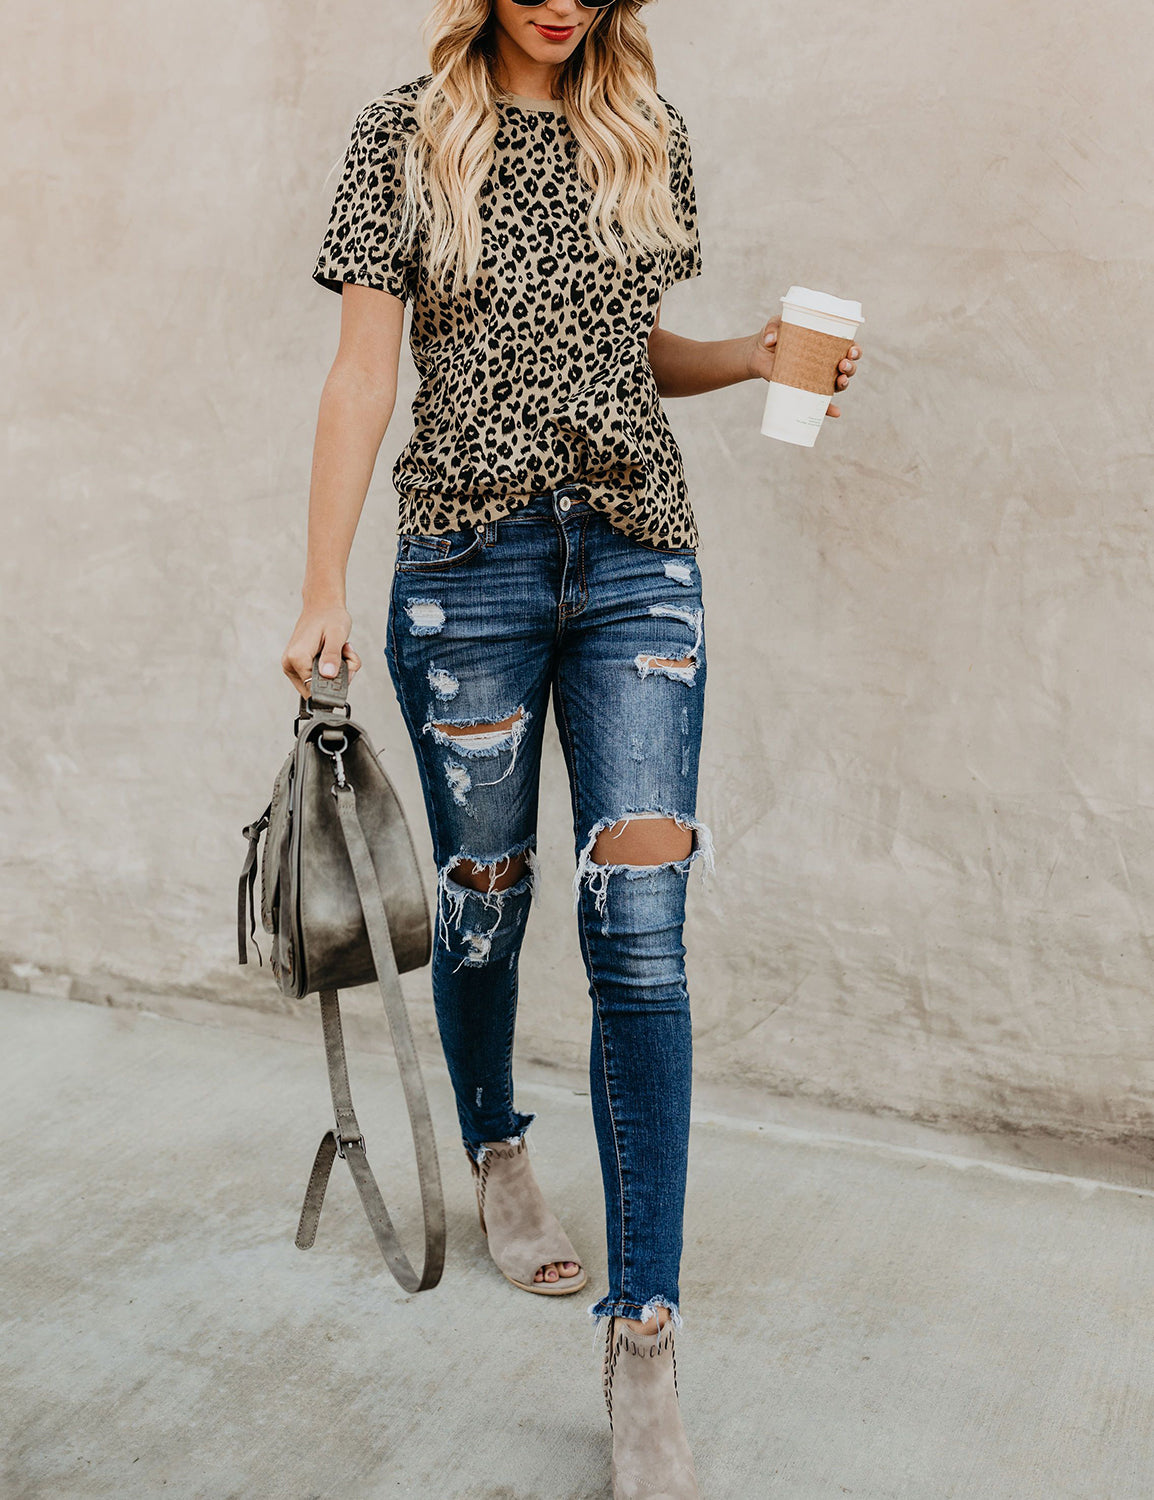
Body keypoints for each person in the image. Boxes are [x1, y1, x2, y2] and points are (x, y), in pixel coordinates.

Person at [282, 2, 861, 1494]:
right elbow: (364, 372)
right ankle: (494, 1146)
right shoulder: (401, 133)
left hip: (634, 563)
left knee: (644, 939)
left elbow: (615, 355)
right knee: (482, 904)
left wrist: (749, 355)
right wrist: (319, 588)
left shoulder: (642, 134)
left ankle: (645, 1335)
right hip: (463, 567)